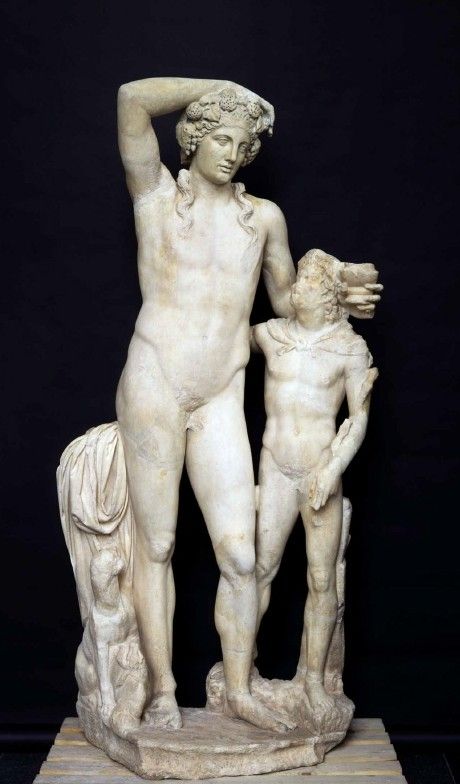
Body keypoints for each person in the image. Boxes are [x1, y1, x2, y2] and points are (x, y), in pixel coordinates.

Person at [115, 77, 381, 731]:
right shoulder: (156, 196)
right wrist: (220, 87)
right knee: (158, 542)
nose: (234, 154)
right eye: (222, 139)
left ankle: (238, 688)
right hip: (154, 379)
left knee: (239, 556)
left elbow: (288, 300)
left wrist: (340, 290)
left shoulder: (262, 218)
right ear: (194, 138)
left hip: (220, 393)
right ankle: (162, 689)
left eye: (244, 145)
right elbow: (131, 101)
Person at [252, 248, 378, 716]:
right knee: (260, 569)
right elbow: (220, 340)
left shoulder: (350, 348)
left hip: (320, 472)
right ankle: (243, 673)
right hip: (275, 466)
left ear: (327, 296)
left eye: (304, 281)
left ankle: (313, 681)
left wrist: (331, 469)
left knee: (322, 578)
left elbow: (358, 418)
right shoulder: (271, 335)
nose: (293, 289)